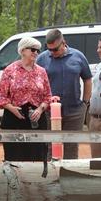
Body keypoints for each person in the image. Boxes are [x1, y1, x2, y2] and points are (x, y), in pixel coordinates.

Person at [36, 28, 92, 159]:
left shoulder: (78, 56)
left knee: (71, 146)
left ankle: (70, 176)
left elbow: (87, 79)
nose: (52, 52)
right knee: (51, 145)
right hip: (50, 112)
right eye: (49, 49)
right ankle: (51, 175)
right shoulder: (42, 59)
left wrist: (85, 102)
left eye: (55, 49)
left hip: (74, 111)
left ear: (64, 43)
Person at [0, 36, 52, 163]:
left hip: (36, 119)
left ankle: (37, 182)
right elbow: (1, 96)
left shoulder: (42, 72)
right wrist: (11, 108)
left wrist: (40, 109)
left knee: (38, 155)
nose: (36, 53)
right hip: (14, 117)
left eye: (38, 50)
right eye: (32, 49)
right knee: (14, 157)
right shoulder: (10, 70)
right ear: (22, 51)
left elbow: (48, 96)